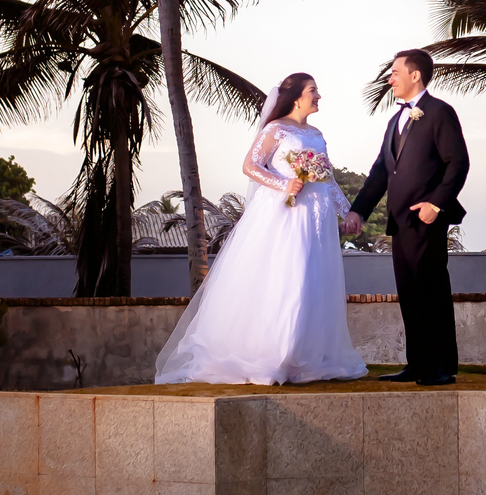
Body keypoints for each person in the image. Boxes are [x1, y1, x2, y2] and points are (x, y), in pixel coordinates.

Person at [153, 73, 367, 385]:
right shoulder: (276, 129)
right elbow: (251, 166)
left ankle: (306, 355)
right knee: (288, 278)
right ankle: (275, 353)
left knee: (313, 280)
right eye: (313, 91)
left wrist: (347, 212)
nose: (318, 96)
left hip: (316, 222)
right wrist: (285, 184)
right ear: (296, 97)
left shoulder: (318, 134)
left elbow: (327, 178)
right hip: (286, 217)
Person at [348, 49, 469, 385]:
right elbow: (380, 172)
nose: (391, 78)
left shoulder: (440, 113)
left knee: (432, 290)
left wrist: (436, 205)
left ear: (415, 75)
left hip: (427, 219)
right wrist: (359, 209)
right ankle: (418, 364)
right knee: (410, 294)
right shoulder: (394, 121)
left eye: (395, 72)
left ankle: (442, 367)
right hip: (399, 223)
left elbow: (458, 163)